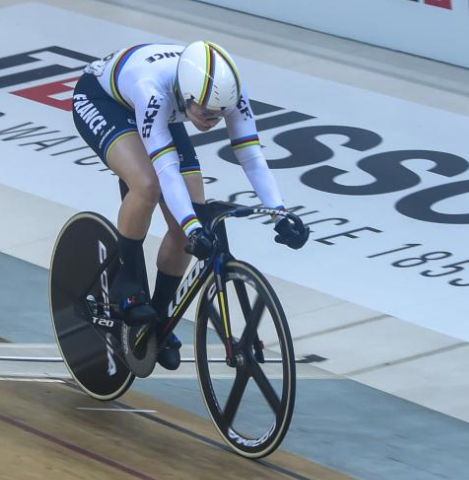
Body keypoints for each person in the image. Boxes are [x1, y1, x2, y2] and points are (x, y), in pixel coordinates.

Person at [71, 41, 309, 370]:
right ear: (186, 96)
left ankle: (158, 318)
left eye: (219, 113)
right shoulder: (153, 90)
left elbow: (252, 156)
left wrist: (279, 213)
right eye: (205, 112)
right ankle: (127, 279)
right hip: (103, 99)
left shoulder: (227, 93)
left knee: (189, 222)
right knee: (148, 184)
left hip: (162, 110)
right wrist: (193, 227)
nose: (212, 120)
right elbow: (166, 171)